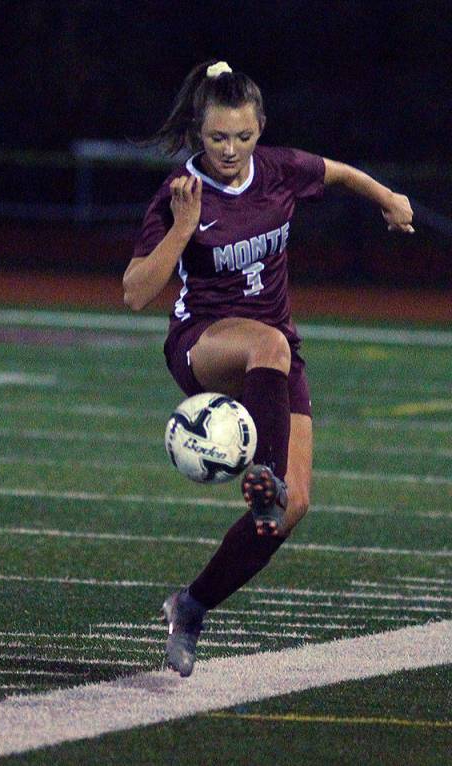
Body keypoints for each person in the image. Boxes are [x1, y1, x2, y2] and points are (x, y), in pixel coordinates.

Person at [124, 60, 414, 677]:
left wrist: (387, 199)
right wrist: (180, 229)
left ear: (261, 131)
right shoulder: (181, 193)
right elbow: (134, 291)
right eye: (217, 138)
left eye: (243, 137)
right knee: (270, 350)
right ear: (198, 133)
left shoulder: (281, 170)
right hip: (203, 344)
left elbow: (336, 173)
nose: (230, 150)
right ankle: (262, 473)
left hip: (272, 355)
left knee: (291, 508)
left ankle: (192, 606)